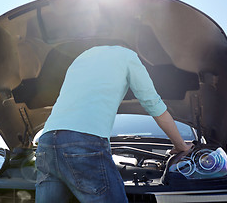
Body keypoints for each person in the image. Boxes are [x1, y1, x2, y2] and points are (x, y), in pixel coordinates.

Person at [35, 45, 193, 203]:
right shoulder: (128, 56)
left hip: (47, 141)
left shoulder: (82, 57)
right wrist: (180, 145)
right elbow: (153, 104)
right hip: (83, 143)